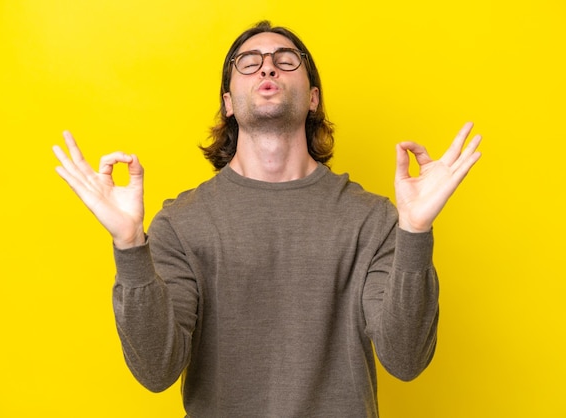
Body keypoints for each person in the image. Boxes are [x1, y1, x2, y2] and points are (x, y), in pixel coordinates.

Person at [53, 20, 481, 418]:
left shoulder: (373, 219)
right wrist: (130, 245)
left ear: (313, 97)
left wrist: (415, 233)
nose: (268, 69)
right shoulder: (181, 225)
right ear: (228, 105)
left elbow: (405, 360)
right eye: (250, 63)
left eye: (285, 59)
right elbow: (156, 371)